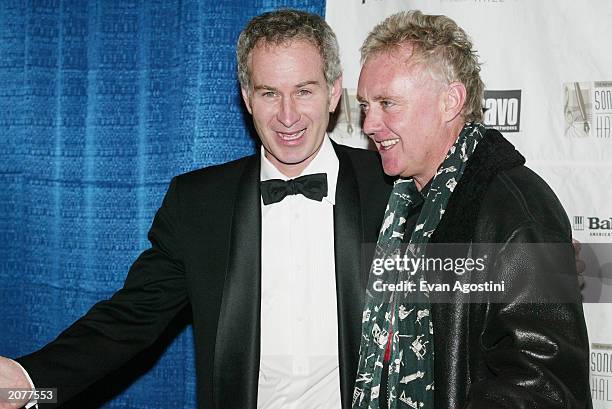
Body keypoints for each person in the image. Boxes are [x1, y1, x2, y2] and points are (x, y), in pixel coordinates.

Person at [0, 9, 392, 409]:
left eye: (304, 91)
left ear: (334, 92)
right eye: (269, 93)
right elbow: (133, 316)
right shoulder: (198, 203)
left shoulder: (392, 189)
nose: (287, 115)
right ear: (246, 97)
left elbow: (442, 316)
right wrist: (30, 380)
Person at [352, 10, 591, 409]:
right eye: (365, 105)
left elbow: (547, 386)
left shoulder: (516, 210)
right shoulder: (401, 207)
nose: (369, 123)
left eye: (387, 103)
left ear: (451, 101)